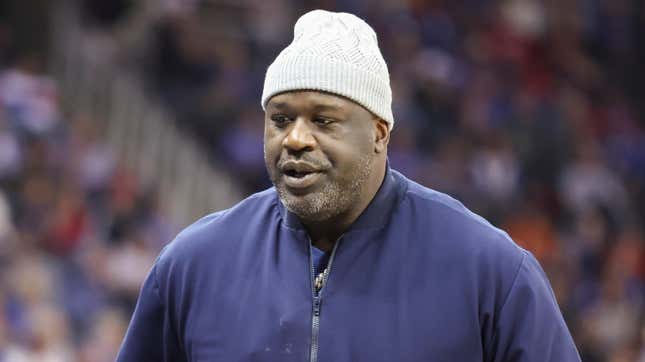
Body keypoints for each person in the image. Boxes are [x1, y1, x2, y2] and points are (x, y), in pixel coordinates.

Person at [117, 9, 581, 362]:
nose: (295, 139)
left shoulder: (490, 271)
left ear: (380, 132)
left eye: (324, 120)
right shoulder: (194, 265)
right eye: (280, 119)